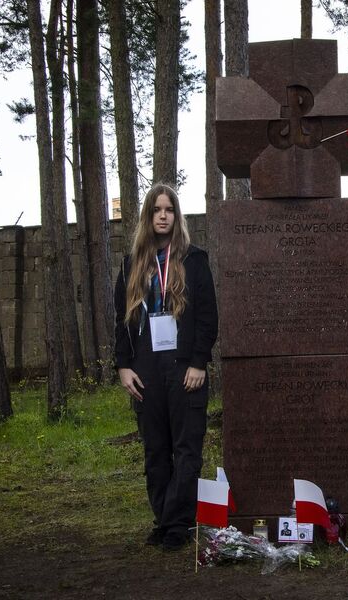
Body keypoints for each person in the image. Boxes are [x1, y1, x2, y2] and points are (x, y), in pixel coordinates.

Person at [114, 183, 219, 551]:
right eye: (156, 209)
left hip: (184, 368)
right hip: (146, 369)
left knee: (187, 449)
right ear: (148, 216)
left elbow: (207, 317)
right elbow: (120, 321)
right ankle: (162, 518)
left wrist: (199, 362)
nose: (162, 215)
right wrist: (124, 367)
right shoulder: (132, 264)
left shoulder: (194, 260)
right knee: (155, 450)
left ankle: (179, 524)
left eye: (169, 209)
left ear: (177, 216)